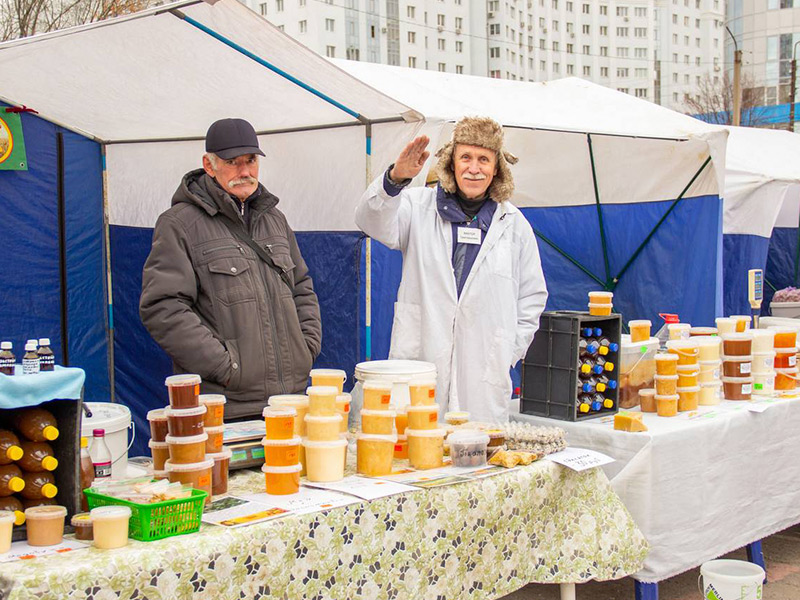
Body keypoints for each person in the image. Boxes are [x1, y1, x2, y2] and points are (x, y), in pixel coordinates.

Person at [356, 116, 548, 423]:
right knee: (418, 454)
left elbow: (532, 297)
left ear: (496, 167)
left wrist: (505, 352)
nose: (474, 168)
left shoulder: (514, 226)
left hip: (482, 376)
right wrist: (395, 179)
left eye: (483, 159)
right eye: (466, 158)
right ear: (451, 163)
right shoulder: (418, 207)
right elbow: (370, 220)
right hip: (421, 367)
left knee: (478, 457)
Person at [140, 118, 322, 419]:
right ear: (209, 166)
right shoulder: (179, 224)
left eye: (251, 160)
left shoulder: (275, 219)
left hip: (291, 402)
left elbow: (301, 287)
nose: (245, 171)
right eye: (232, 162)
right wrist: (226, 367)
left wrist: (306, 348)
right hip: (226, 408)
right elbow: (162, 307)